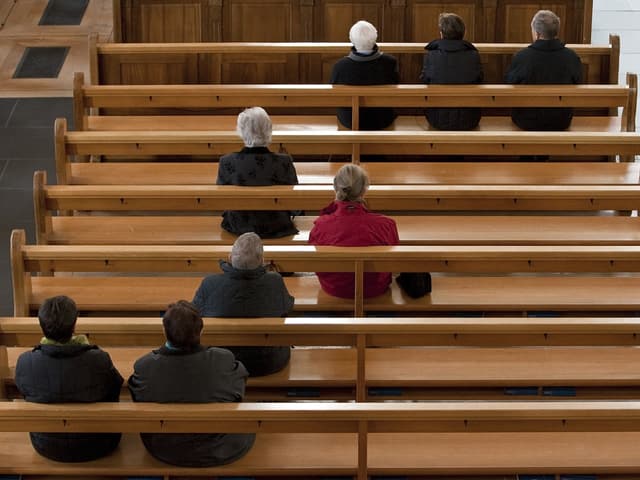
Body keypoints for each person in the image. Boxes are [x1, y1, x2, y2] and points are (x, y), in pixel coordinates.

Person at [128, 300, 254, 467]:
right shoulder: (222, 359)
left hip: (165, 448)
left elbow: (137, 396)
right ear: (201, 331)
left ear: (164, 332)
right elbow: (239, 386)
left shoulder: (145, 366)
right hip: (220, 447)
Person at [15, 295, 123, 462]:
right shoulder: (98, 359)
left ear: (42, 326)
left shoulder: (25, 362)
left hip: (45, 444)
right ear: (74, 325)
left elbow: (25, 393)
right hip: (98, 443)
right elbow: (115, 389)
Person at [192, 232, 294, 376]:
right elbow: (287, 308)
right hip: (268, 361)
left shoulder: (210, 283)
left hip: (222, 360)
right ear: (262, 260)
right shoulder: (275, 281)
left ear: (230, 258)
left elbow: (194, 315)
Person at [308, 164, 399, 298]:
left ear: (336, 187)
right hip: (375, 288)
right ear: (364, 190)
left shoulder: (321, 225)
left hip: (334, 288)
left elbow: (314, 263)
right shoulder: (386, 225)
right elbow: (393, 262)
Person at [217, 107, 299, 238]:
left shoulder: (227, 162)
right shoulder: (284, 161)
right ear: (268, 130)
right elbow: (294, 202)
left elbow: (222, 201)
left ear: (241, 131)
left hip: (239, 225)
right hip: (277, 224)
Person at [505, 9, 583, 130]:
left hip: (527, 120)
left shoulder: (522, 56)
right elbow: (578, 81)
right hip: (561, 120)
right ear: (556, 32)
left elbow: (510, 83)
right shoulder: (571, 56)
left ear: (537, 34)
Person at [330, 20, 399, 130]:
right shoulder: (390, 62)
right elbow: (395, 86)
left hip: (349, 120)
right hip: (382, 119)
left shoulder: (340, 66)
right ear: (375, 38)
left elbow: (335, 95)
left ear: (351, 40)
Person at [420, 13, 483, 130]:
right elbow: (479, 80)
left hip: (437, 118)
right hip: (469, 119)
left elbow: (425, 80)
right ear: (464, 33)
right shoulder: (473, 55)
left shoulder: (431, 55)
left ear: (441, 33)